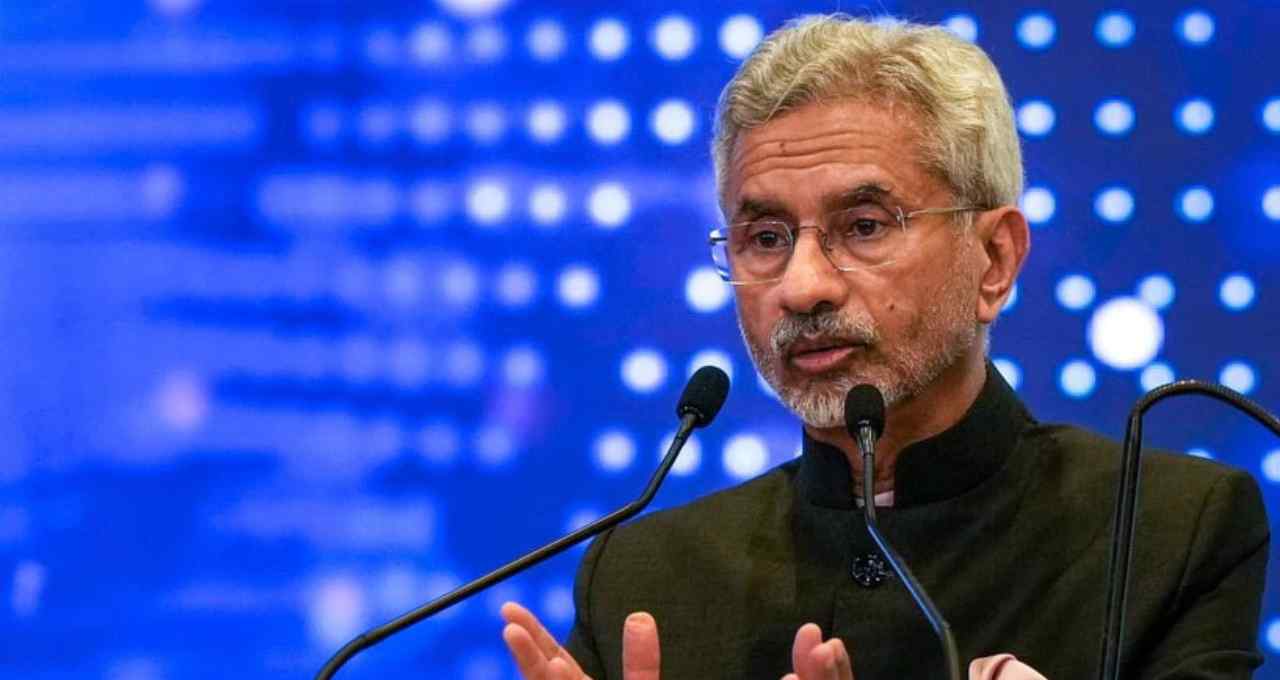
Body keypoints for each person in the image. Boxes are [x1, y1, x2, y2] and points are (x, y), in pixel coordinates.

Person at [499, 14, 1270, 680]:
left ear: (995, 259)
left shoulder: (1167, 534)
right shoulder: (642, 582)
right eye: (764, 237)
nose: (803, 286)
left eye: (864, 226)